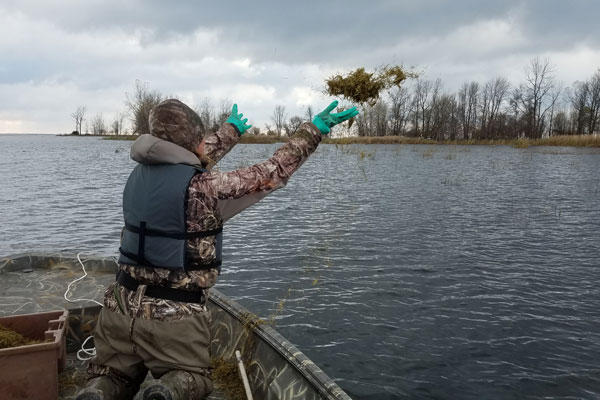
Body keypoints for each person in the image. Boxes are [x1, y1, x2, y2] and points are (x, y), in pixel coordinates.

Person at [75, 98, 358, 400]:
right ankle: (167, 392)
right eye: (200, 138)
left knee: (114, 377)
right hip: (175, 318)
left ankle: (98, 393)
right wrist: (312, 131)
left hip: (119, 306)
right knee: (192, 379)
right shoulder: (207, 188)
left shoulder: (137, 176)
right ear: (193, 141)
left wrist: (230, 131)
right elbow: (273, 170)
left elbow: (189, 154)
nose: (203, 144)